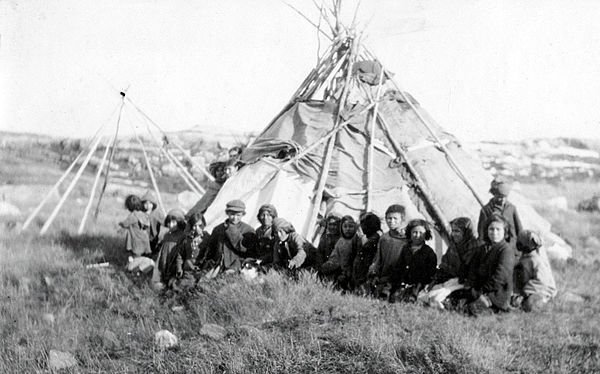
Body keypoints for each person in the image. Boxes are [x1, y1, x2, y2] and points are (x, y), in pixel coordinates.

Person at [458, 214, 515, 315]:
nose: (494, 233)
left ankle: (496, 309)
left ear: (505, 231)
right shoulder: (482, 249)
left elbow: (499, 278)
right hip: (479, 290)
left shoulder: (506, 250)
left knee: (469, 311)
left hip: (496, 293)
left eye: (498, 229)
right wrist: (470, 287)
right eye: (491, 229)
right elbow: (472, 270)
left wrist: (479, 291)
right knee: (457, 304)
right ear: (487, 231)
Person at [420, 217, 480, 308]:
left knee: (437, 296)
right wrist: (434, 281)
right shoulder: (454, 245)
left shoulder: (475, 248)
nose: (454, 234)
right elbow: (445, 265)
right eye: (453, 231)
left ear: (466, 232)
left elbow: (470, 274)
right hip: (451, 279)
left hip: (465, 283)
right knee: (423, 295)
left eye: (457, 231)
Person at [202, 199, 255, 273]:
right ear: (227, 213)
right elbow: (211, 249)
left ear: (243, 214)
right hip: (216, 266)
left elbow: (247, 252)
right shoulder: (218, 229)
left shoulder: (248, 230)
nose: (235, 218)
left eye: (238, 215)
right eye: (232, 214)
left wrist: (236, 266)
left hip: (236, 267)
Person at [392, 219, 437, 303]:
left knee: (411, 299)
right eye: (414, 232)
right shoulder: (405, 249)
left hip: (418, 284)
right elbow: (399, 266)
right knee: (394, 297)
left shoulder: (429, 252)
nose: (417, 235)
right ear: (409, 233)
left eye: (421, 233)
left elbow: (430, 273)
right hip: (403, 282)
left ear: (426, 234)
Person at [368, 204, 407, 300]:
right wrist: (374, 272)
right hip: (385, 277)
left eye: (395, 218)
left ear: (402, 220)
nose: (392, 221)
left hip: (400, 278)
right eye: (389, 218)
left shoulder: (407, 240)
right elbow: (378, 258)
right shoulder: (384, 238)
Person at [512, 230, 557, 312]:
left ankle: (544, 304)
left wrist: (525, 292)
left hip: (542, 290)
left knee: (530, 305)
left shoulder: (536, 261)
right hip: (528, 290)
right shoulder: (524, 259)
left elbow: (541, 281)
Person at [477, 176, 522, 250]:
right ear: (494, 194)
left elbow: (519, 230)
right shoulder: (486, 210)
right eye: (500, 197)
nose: (503, 200)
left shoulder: (511, 208)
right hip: (494, 249)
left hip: (512, 248)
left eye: (505, 197)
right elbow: (482, 235)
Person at [320, 215, 360, 290]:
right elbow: (334, 256)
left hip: (351, 271)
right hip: (339, 268)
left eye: (351, 226)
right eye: (345, 226)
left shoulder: (356, 240)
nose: (348, 229)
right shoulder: (341, 240)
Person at [152, 209, 187, 290]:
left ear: (180, 223)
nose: (171, 225)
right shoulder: (167, 234)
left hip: (174, 258)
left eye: (174, 222)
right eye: (169, 222)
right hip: (165, 257)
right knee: (163, 270)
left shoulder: (182, 236)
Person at [352, 212, 382, 293]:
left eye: (363, 225)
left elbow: (367, 246)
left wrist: (361, 235)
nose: (361, 227)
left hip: (368, 264)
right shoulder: (368, 235)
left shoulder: (377, 235)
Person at [141, 190, 165, 256]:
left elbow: (165, 222)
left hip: (152, 238)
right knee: (142, 253)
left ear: (153, 204)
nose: (148, 205)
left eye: (150, 203)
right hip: (142, 237)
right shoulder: (141, 213)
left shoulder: (156, 214)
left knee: (150, 252)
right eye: (145, 203)